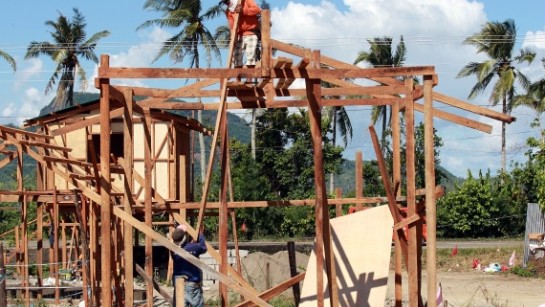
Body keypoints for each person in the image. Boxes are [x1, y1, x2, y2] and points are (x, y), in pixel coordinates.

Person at [171, 224, 208, 307]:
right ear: (184, 237)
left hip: (178, 284)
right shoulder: (193, 247)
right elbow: (203, 247)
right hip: (191, 284)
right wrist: (200, 234)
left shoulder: (172, 250)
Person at [223, 0, 262, 68]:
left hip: (251, 33)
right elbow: (232, 28)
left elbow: (257, 9)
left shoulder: (246, 1)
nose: (227, 4)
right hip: (239, 36)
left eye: (227, 1)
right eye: (225, 3)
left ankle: (249, 78)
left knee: (250, 58)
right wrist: (233, 40)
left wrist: (243, 11)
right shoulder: (229, 12)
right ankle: (238, 78)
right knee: (236, 60)